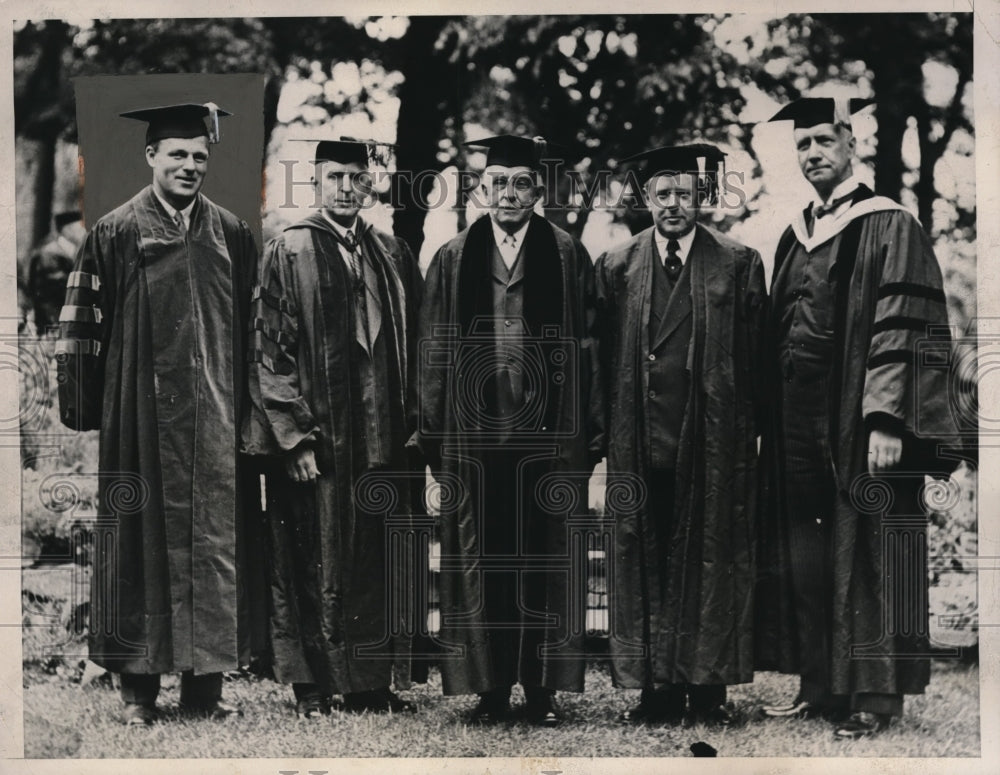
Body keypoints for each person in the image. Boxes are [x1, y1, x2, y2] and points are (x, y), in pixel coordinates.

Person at [755, 97, 960, 738]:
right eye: (803, 144)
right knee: (810, 555)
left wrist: (887, 420)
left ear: (850, 140)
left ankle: (872, 698)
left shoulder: (890, 225)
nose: (812, 152)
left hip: (858, 421)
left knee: (869, 551)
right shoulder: (796, 233)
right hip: (797, 423)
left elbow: (905, 327)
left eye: (823, 139)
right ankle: (820, 686)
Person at [56, 102, 266, 726]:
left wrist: (253, 413)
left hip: (217, 419)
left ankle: (206, 690)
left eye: (200, 156)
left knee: (215, 545)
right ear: (151, 156)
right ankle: (138, 696)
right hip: (139, 422)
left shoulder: (232, 232)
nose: (190, 165)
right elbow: (82, 330)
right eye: (177, 154)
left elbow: (256, 332)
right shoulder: (114, 231)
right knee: (138, 548)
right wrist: (92, 407)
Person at [413, 134, 601, 727]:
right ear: (481, 189)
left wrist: (588, 437)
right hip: (475, 440)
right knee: (484, 561)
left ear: (538, 191)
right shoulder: (452, 256)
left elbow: (591, 347)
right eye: (499, 183)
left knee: (542, 560)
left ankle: (541, 689)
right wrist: (434, 440)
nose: (510, 194)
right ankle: (490, 688)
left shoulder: (567, 254)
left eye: (522, 183)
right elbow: (433, 352)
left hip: (548, 438)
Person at [243, 138, 423, 718]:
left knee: (375, 555)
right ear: (316, 183)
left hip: (384, 438)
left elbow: (417, 344)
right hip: (320, 440)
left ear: (369, 183)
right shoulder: (289, 249)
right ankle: (313, 686)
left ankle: (371, 681)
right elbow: (270, 352)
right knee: (311, 553)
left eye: (356, 177)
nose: (347, 187)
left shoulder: (391, 251)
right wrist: (292, 437)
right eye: (335, 177)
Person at [594, 144, 767, 727]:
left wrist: (753, 436)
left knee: (711, 561)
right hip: (640, 440)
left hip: (713, 440)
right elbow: (600, 359)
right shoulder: (617, 265)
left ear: (702, 198)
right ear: (645, 199)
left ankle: (708, 688)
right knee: (646, 560)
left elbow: (757, 358)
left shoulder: (738, 262)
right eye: (662, 194)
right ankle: (657, 688)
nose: (673, 205)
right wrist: (603, 440)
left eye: (684, 195)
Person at [26, 210, 86, 334]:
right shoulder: (49, 255)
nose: (85, 231)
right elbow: (52, 296)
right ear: (67, 229)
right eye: (80, 226)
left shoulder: (75, 253)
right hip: (53, 327)